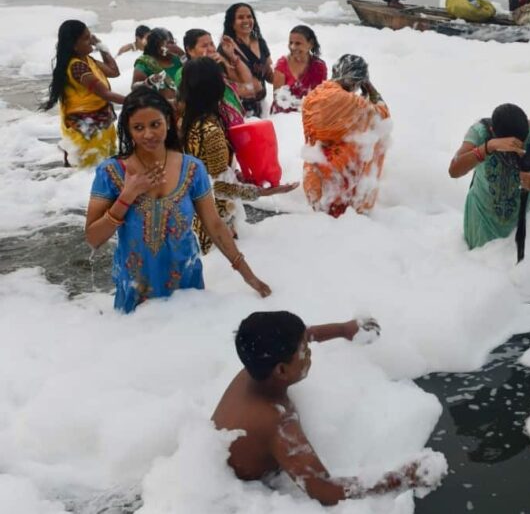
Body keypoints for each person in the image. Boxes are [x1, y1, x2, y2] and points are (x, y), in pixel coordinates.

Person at [212, 311, 441, 504]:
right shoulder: (276, 423)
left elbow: (305, 334)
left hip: (220, 455)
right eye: (305, 352)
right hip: (238, 491)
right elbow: (325, 492)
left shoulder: (256, 367)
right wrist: (401, 477)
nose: (309, 352)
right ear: (281, 371)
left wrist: (343, 329)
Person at [85, 87, 272, 313]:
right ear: (127, 129)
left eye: (155, 124)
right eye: (138, 127)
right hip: (136, 296)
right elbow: (93, 238)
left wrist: (248, 276)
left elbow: (214, 226)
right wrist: (127, 196)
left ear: (169, 121)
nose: (148, 134)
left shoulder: (192, 169)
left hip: (187, 291)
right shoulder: (110, 172)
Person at [179, 58, 298, 254]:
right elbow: (219, 187)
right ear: (215, 87)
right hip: (215, 219)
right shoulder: (211, 130)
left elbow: (207, 172)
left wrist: (233, 174)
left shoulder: (188, 121)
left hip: (195, 210)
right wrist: (264, 192)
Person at [448, 103, 530, 256]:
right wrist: (488, 147)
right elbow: (454, 170)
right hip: (482, 220)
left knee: (523, 273)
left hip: (525, 223)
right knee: (478, 271)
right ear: (492, 131)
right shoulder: (480, 133)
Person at [301, 55, 390, 217]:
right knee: (373, 137)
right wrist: (369, 86)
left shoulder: (314, 96)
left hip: (313, 175)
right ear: (356, 80)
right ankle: (359, 206)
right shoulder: (351, 102)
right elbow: (383, 116)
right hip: (339, 184)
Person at [41, 20, 125, 168]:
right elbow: (105, 94)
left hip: (99, 125)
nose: (90, 42)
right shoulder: (77, 67)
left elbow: (114, 72)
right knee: (90, 172)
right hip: (87, 131)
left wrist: (101, 46)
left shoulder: (87, 60)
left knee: (105, 169)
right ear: (74, 44)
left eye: (90, 36)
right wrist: (137, 100)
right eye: (86, 38)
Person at [173, 28, 256, 128]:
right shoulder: (183, 72)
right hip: (211, 131)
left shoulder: (218, 69)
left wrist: (232, 56)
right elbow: (193, 99)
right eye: (204, 46)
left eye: (212, 44)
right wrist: (206, 69)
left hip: (236, 127)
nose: (211, 49)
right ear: (190, 50)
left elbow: (249, 88)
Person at [221, 2, 273, 117]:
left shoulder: (260, 43)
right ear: (232, 23)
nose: (246, 21)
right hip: (239, 109)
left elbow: (269, 74)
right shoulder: (226, 48)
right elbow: (226, 83)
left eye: (249, 17)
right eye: (240, 17)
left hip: (261, 106)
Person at [271, 25, 328, 114]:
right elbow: (278, 101)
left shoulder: (319, 66)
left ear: (310, 44)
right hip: (283, 116)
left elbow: (319, 99)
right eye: (290, 43)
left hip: (309, 115)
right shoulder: (282, 65)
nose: (293, 47)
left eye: (298, 43)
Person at [132, 27, 182, 100]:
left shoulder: (179, 59)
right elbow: (135, 89)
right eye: (166, 45)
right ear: (155, 46)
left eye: (172, 43)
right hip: (157, 107)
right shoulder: (145, 63)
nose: (170, 47)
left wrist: (182, 54)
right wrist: (149, 82)